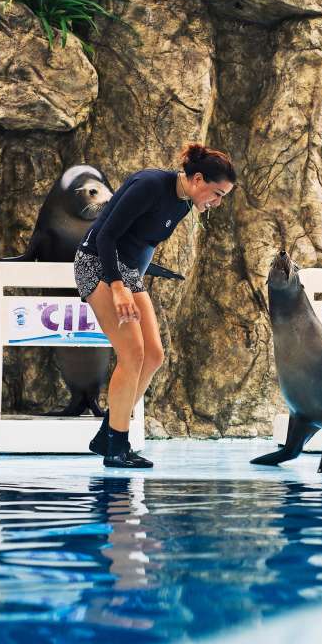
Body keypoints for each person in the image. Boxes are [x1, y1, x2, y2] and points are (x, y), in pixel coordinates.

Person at [74, 144, 236, 468]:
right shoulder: (149, 185)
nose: (217, 203)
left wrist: (133, 284)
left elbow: (145, 246)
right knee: (133, 353)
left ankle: (107, 434)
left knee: (154, 355)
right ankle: (117, 447)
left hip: (127, 272)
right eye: (217, 194)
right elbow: (106, 236)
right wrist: (118, 288)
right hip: (96, 263)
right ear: (198, 179)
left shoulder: (184, 205)